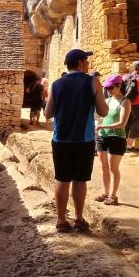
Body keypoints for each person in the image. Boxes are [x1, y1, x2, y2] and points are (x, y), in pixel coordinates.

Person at [44, 49, 109, 233]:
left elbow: (48, 114)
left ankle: (61, 221)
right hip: (84, 139)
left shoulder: (56, 84)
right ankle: (79, 219)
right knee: (80, 180)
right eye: (86, 61)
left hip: (61, 139)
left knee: (62, 179)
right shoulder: (93, 81)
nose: (88, 64)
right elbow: (103, 112)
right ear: (80, 62)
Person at [94, 75, 131, 206]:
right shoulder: (107, 101)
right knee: (104, 167)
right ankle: (105, 193)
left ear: (118, 86)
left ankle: (113, 195)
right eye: (107, 88)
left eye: (110, 87)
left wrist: (102, 126)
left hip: (117, 138)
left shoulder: (125, 102)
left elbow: (122, 123)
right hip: (103, 136)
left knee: (113, 168)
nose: (108, 90)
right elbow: (102, 117)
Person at [125, 61, 139, 150]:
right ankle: (129, 146)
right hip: (137, 104)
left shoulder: (126, 77)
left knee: (126, 123)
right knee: (135, 124)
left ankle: (123, 144)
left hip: (125, 102)